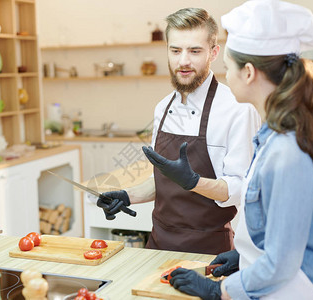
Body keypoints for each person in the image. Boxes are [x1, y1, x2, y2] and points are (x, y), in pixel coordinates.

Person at [166, 0, 313, 299]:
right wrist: (244, 255)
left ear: (249, 72)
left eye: (228, 67)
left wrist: (218, 291)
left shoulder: (290, 151)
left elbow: (281, 265)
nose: (225, 76)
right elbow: (282, 229)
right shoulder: (273, 137)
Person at [96, 7, 260, 254]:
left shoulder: (237, 109)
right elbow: (165, 180)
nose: (183, 61)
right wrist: (128, 196)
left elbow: (240, 188)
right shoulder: (163, 108)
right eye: (175, 50)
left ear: (213, 53)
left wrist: (194, 182)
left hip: (209, 250)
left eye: (195, 51)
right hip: (158, 244)